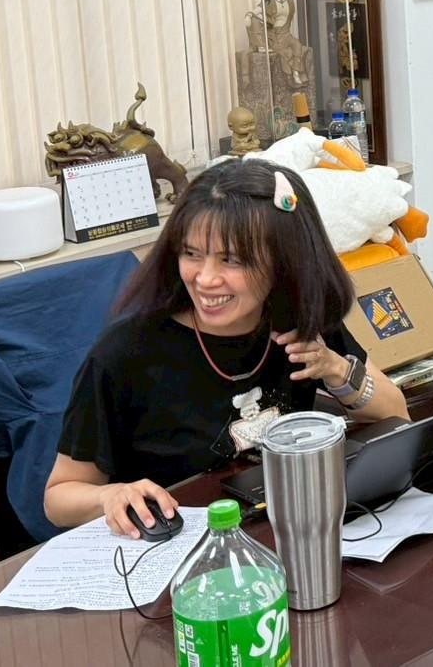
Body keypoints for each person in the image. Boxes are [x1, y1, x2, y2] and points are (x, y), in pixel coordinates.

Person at [44, 159, 408, 538]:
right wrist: (111, 495)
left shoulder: (297, 319)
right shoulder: (126, 352)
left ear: (284, 260)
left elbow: (395, 413)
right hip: (177, 544)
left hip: (280, 529)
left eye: (231, 260)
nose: (205, 279)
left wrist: (336, 369)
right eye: (191, 254)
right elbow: (58, 498)